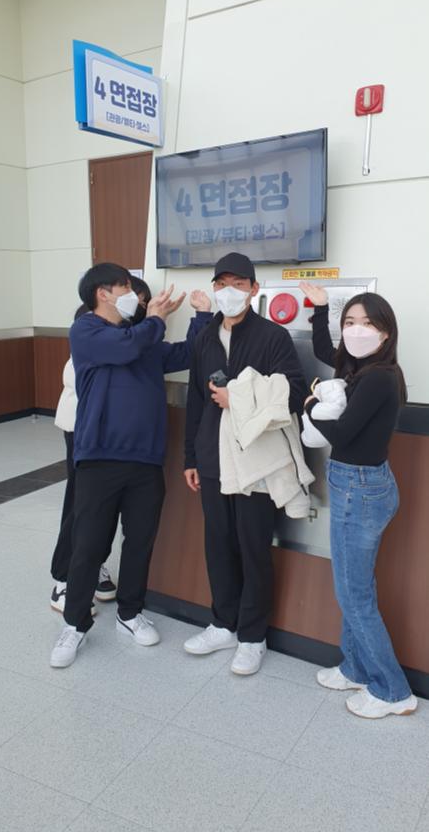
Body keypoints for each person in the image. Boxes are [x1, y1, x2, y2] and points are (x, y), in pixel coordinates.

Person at [50, 262, 212, 668]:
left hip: (145, 460)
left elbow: (187, 354)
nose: (132, 297)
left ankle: (129, 613)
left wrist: (202, 316)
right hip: (99, 458)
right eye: (124, 287)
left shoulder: (142, 338)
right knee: (89, 545)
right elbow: (125, 348)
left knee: (140, 541)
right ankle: (74, 625)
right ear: (102, 293)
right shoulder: (86, 331)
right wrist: (156, 318)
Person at [183, 253, 307, 676]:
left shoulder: (273, 336)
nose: (229, 292)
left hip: (255, 460)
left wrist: (236, 396)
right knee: (218, 544)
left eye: (238, 284)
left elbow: (292, 393)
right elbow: (195, 400)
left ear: (254, 289)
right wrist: (191, 457)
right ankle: (223, 623)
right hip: (213, 458)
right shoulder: (205, 337)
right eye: (221, 284)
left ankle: (253, 636)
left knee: (253, 547)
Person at [300, 281, 417, 719]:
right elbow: (324, 349)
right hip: (360, 485)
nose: (355, 330)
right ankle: (355, 667)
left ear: (385, 332)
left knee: (353, 594)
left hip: (360, 490)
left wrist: (309, 407)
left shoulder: (379, 378)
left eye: (366, 323)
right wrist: (320, 309)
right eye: (349, 322)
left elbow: (345, 435)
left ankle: (393, 691)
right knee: (353, 587)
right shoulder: (361, 368)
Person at [50, 277, 152, 613]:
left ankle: (95, 567)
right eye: (134, 297)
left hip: (109, 437)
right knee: (80, 507)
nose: (137, 305)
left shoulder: (127, 330)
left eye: (142, 301)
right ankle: (63, 579)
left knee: (102, 511)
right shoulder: (89, 324)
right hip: (81, 429)